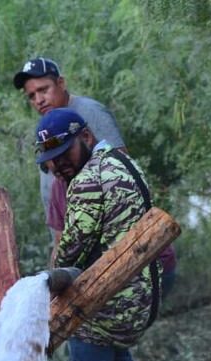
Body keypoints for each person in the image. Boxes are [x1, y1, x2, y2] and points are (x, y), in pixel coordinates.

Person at [35, 108, 161, 361]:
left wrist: (53, 276)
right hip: (139, 295)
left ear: (86, 136)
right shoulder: (123, 162)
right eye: (49, 162)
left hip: (111, 300)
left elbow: (72, 248)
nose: (57, 167)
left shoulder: (88, 181)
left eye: (63, 155)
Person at [13, 57, 177, 295]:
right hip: (82, 256)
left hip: (120, 260)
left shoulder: (89, 113)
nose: (39, 100)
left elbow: (120, 173)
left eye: (43, 90)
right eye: (31, 95)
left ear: (61, 83)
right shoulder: (48, 130)